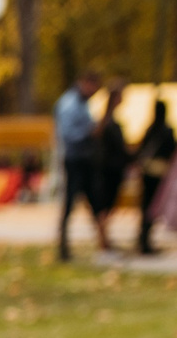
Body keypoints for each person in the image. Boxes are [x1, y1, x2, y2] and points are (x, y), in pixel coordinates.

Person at [54, 71, 100, 261]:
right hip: (74, 160)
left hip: (84, 159)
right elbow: (69, 135)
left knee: (96, 200)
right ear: (84, 82)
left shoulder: (84, 103)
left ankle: (103, 243)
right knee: (70, 203)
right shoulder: (69, 104)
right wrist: (89, 133)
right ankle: (63, 247)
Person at [88, 83, 131, 255]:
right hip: (110, 171)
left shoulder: (104, 123)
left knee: (104, 207)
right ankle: (103, 241)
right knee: (106, 206)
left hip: (105, 170)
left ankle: (104, 240)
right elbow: (119, 150)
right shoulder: (111, 125)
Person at [135, 97, 177, 256]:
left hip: (147, 172)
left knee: (145, 206)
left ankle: (143, 238)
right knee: (153, 207)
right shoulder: (168, 130)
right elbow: (173, 151)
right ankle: (146, 239)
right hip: (160, 172)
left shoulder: (150, 129)